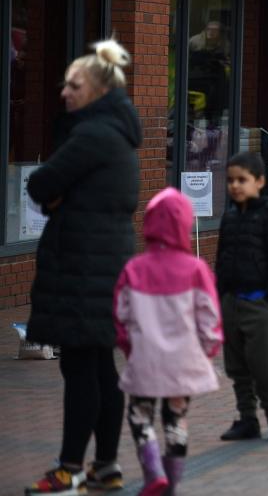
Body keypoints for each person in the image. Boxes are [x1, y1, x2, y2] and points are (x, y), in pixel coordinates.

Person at [25, 39, 142, 495]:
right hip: (102, 266)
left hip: (82, 269)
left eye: (74, 86)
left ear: (96, 90)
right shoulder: (117, 132)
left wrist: (58, 196)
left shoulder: (92, 135)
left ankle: (69, 468)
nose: (64, 93)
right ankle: (106, 466)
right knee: (100, 369)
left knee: (80, 371)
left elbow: (40, 184)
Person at [113, 188, 222, 496]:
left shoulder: (134, 269)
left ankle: (153, 472)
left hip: (145, 359)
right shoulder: (197, 270)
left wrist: (129, 347)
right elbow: (210, 316)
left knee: (139, 416)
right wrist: (209, 349)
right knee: (176, 419)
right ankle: (171, 483)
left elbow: (121, 315)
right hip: (184, 362)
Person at [216, 152, 268, 441]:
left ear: (259, 181)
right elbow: (222, 258)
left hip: (259, 304)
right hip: (231, 303)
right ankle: (247, 418)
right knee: (236, 367)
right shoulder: (230, 216)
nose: (235, 186)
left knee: (261, 366)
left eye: (242, 180)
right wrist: (221, 295)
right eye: (231, 180)